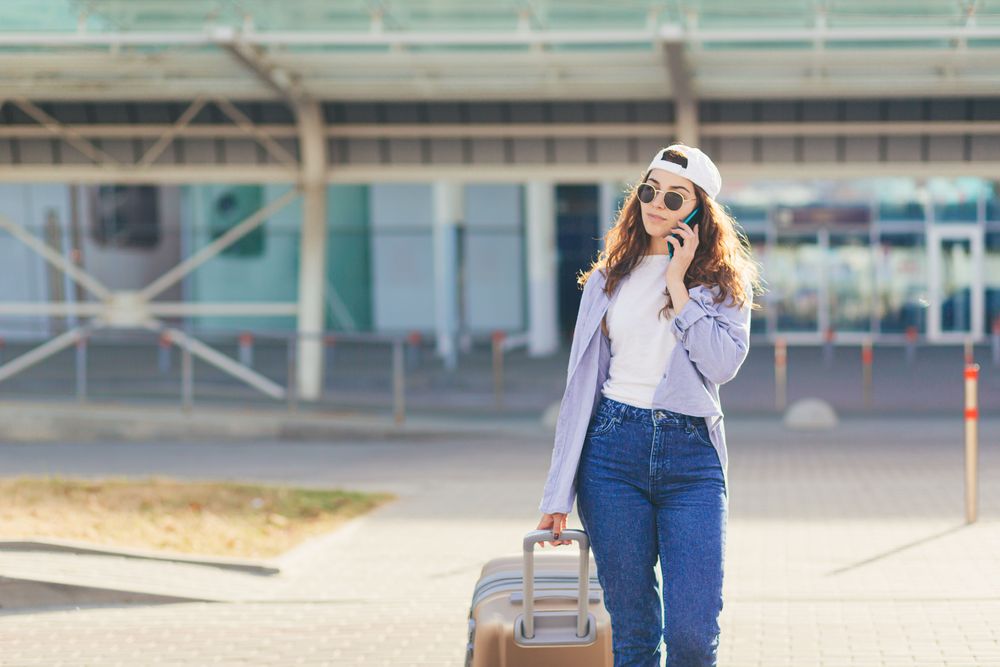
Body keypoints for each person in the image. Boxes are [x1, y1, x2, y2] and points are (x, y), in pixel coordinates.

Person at [534, 144, 763, 666]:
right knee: (635, 637)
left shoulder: (725, 284)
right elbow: (580, 391)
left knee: (691, 636)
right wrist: (557, 494)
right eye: (649, 191)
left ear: (700, 210)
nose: (656, 203)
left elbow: (721, 365)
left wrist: (679, 284)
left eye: (674, 196)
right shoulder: (607, 278)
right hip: (611, 457)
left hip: (692, 461)